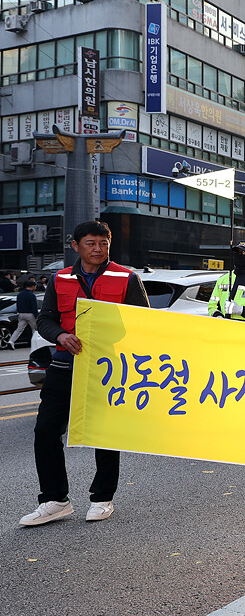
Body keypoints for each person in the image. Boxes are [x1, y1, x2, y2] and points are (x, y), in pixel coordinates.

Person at [20, 221, 148, 526]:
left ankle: (103, 498)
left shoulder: (127, 277)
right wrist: (61, 336)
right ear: (75, 246)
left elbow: (145, 322)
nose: (98, 249)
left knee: (104, 434)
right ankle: (54, 500)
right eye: (91, 243)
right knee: (45, 432)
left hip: (107, 368)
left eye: (103, 243)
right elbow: (46, 320)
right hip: (65, 366)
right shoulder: (60, 279)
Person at [7, 279, 38, 348]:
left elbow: (18, 305)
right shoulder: (32, 295)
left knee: (19, 329)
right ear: (33, 286)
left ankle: (11, 341)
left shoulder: (20, 294)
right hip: (30, 314)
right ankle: (35, 344)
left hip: (21, 314)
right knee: (35, 329)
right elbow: (34, 306)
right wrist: (36, 316)